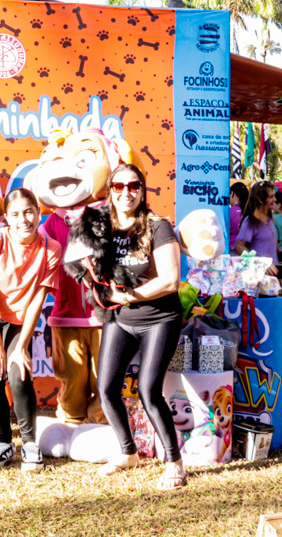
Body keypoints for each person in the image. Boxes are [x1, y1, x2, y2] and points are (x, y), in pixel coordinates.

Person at [94, 164, 186, 490]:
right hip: (121, 320)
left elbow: (171, 280)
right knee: (106, 388)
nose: (126, 192)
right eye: (118, 186)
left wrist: (128, 296)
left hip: (160, 319)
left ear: (143, 190)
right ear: (110, 191)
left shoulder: (158, 226)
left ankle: (174, 463)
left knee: (148, 390)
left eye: (133, 186)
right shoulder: (102, 229)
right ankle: (128, 453)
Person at [0, 188, 62, 472]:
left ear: (38, 213)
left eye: (29, 212)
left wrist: (20, 347)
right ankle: (4, 443)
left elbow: (37, 301)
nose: (23, 220)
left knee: (20, 374)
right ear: (7, 217)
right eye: (16, 214)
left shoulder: (51, 249)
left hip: (20, 317)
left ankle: (29, 444)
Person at [234, 180, 279, 276]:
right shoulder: (251, 221)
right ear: (260, 199)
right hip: (257, 277)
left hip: (270, 277)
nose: (275, 199)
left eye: (274, 196)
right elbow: (238, 246)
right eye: (271, 197)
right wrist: (258, 262)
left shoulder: (269, 220)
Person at [229, 182, 249, 248]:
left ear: (232, 193)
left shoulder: (229, 212)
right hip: (247, 250)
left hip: (231, 249)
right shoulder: (250, 212)